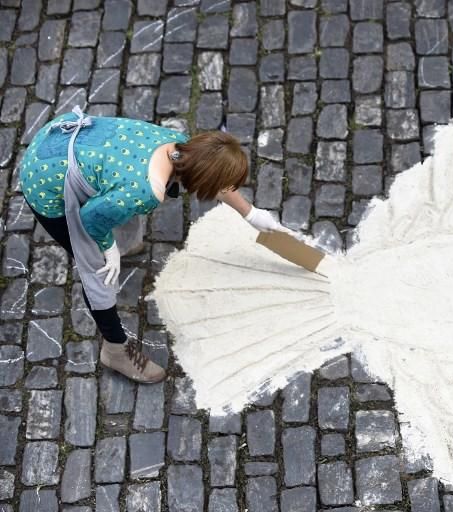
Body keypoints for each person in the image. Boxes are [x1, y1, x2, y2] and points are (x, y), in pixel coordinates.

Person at [19, 106, 289, 383]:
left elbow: (205, 176)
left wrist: (250, 213)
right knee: (98, 270)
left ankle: (123, 246)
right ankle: (115, 350)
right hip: (44, 182)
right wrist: (107, 248)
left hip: (60, 141)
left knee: (119, 201)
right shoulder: (147, 190)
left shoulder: (178, 145)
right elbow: (90, 218)